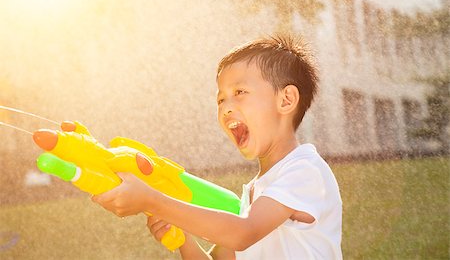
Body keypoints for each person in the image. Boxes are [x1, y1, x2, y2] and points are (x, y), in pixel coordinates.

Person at [92, 35, 342, 259]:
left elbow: (244, 232)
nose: (225, 107)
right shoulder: (256, 192)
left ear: (286, 100)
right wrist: (183, 238)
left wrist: (153, 201)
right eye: (221, 99)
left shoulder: (305, 172)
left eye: (240, 92)